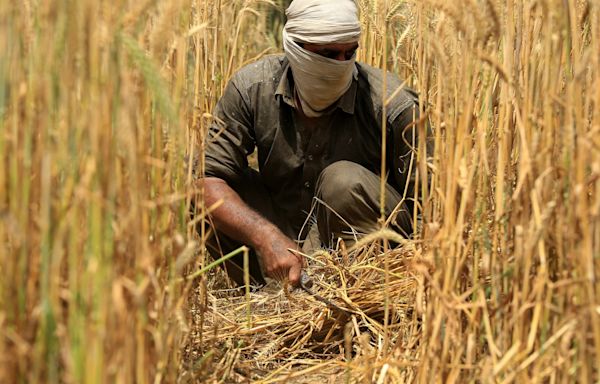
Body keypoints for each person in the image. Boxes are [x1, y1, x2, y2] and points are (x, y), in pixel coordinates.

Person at [197, 0, 426, 287]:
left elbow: (429, 213)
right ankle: (272, 295)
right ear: (294, 48)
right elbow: (205, 181)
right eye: (328, 54)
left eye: (349, 52)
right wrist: (265, 236)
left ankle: (347, 291)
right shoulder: (252, 89)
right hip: (281, 236)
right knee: (204, 192)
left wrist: (403, 273)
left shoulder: (393, 103)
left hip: (363, 250)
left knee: (342, 181)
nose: (341, 65)